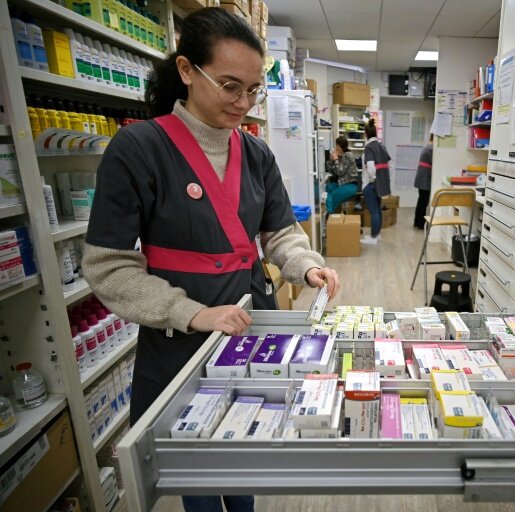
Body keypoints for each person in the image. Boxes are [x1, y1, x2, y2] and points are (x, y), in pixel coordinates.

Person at [81, 8, 339, 512]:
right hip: (179, 338)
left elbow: (280, 233)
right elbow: (108, 265)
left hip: (249, 327)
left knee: (243, 450)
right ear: (186, 71)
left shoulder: (256, 153)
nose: (243, 103)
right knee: (194, 466)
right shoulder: (138, 148)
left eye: (253, 90)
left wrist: (307, 266)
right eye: (229, 86)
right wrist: (192, 314)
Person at [361, 118, 391, 245]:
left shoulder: (369, 147)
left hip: (370, 183)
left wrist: (372, 179)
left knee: (373, 211)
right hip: (380, 183)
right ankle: (377, 235)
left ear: (366, 134)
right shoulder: (381, 146)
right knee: (377, 209)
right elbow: (387, 162)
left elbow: (371, 167)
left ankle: (373, 237)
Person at [324, 135, 359, 214]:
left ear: (340, 146)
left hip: (350, 185)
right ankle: (331, 212)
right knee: (328, 188)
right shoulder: (341, 156)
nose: (335, 147)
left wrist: (336, 159)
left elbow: (340, 171)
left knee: (331, 196)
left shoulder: (348, 156)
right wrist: (331, 159)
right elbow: (331, 169)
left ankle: (330, 215)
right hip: (342, 183)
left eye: (336, 145)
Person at [413, 133, 433, 229]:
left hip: (422, 178)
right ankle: (421, 223)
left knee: (421, 200)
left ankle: (418, 222)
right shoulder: (431, 148)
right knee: (423, 202)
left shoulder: (427, 147)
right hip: (424, 179)